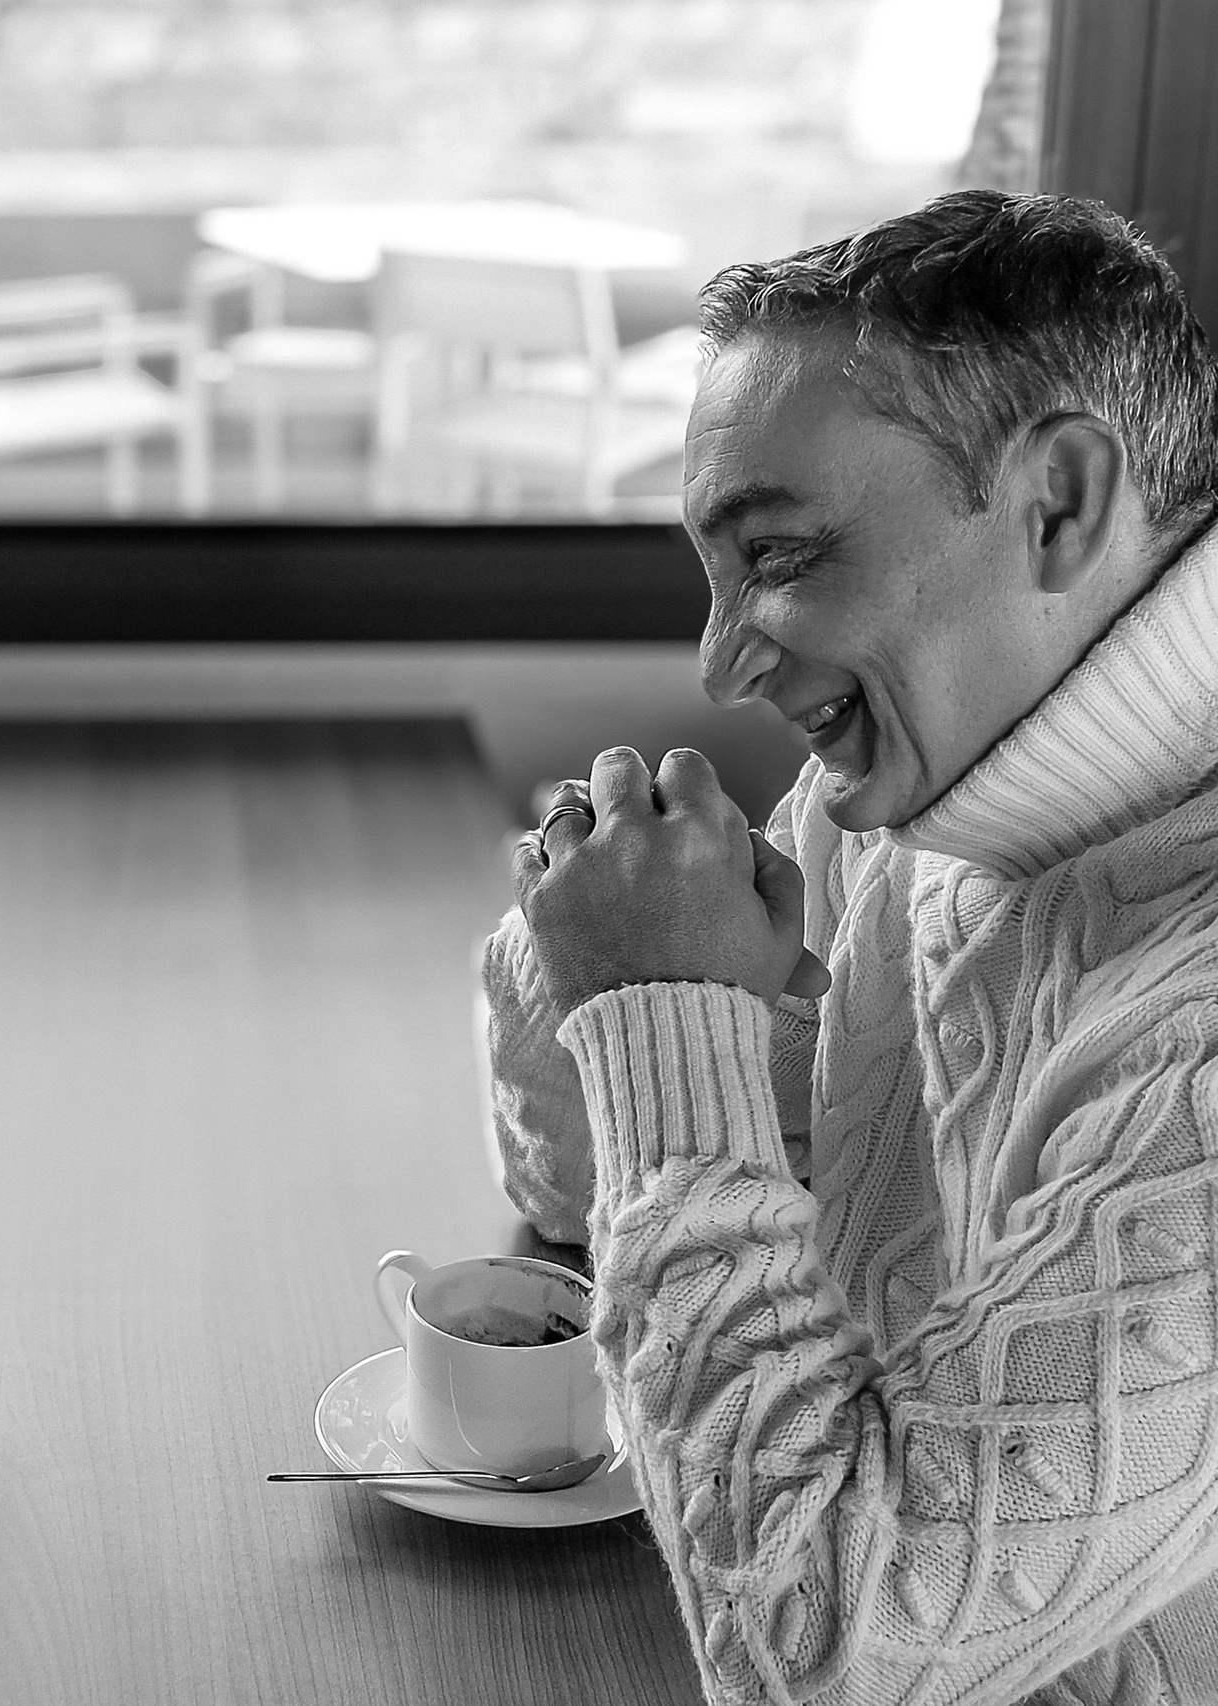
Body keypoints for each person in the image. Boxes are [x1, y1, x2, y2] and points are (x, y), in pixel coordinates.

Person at [488, 189, 1218, 1704]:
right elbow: (566, 1181)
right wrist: (588, 926)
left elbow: (825, 1655)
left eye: (778, 554)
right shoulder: (927, 783)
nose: (719, 659)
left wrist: (663, 1012)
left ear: (1061, 505)